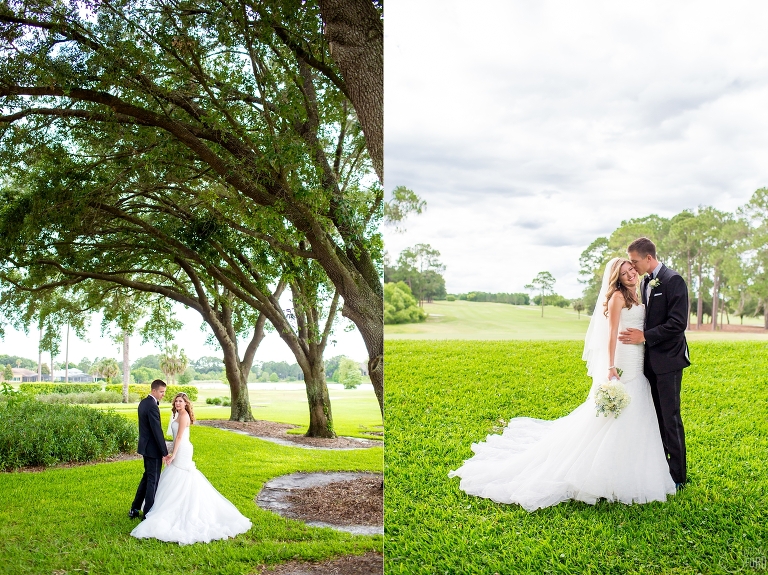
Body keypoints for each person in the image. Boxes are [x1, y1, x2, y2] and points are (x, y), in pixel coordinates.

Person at [448, 257, 676, 511]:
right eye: (624, 273)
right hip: (623, 358)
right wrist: (610, 366)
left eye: (632, 269)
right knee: (615, 414)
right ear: (617, 278)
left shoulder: (640, 291)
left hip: (639, 358)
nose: (631, 274)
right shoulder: (617, 298)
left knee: (636, 412)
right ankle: (598, 471)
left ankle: (630, 466)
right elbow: (610, 334)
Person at [130, 392, 252, 544]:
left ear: (186, 403)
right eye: (176, 401)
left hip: (182, 450)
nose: (178, 404)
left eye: (180, 401)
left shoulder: (184, 416)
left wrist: (172, 454)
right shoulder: (177, 415)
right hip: (178, 448)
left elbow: (180, 437)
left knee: (183, 476)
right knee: (172, 476)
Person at [620, 237, 690, 489]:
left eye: (635, 261)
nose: (632, 266)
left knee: (670, 417)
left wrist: (645, 336)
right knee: (656, 417)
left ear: (648, 258)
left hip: (669, 361)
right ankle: (661, 468)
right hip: (647, 362)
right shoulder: (645, 282)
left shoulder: (673, 281)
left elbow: (678, 324)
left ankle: (679, 476)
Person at [129, 379, 168, 519]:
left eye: (164, 392)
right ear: (154, 391)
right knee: (153, 480)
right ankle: (148, 513)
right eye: (161, 392)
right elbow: (156, 431)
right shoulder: (152, 406)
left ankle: (134, 508)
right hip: (153, 450)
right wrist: (165, 452)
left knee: (147, 478)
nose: (163, 394)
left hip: (146, 448)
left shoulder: (143, 402)